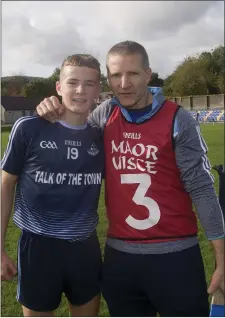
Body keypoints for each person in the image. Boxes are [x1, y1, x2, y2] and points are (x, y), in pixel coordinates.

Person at [36, 41, 225, 317]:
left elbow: (202, 188)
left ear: (148, 74)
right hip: (120, 259)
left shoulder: (177, 119)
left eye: (133, 74)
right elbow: (70, 128)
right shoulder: (105, 115)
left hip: (175, 258)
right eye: (115, 75)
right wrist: (50, 106)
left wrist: (221, 256)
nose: (124, 83)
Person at [1, 54, 104, 317]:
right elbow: (5, 185)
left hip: (85, 247)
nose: (80, 90)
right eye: (72, 82)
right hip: (38, 247)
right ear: (59, 88)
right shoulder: (29, 128)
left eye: (89, 83)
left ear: (98, 90)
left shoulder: (101, 135)